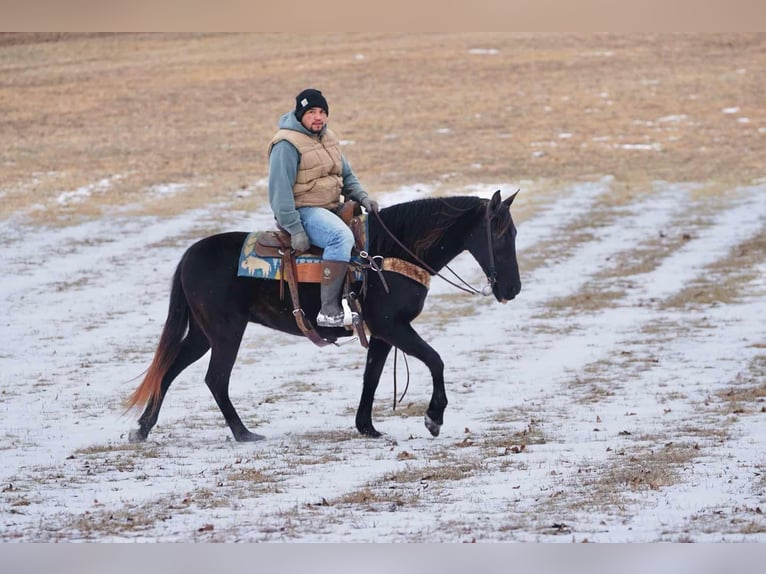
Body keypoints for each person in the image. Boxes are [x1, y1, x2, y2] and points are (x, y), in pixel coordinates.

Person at [267, 88, 379, 328]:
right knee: (340, 237)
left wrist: (363, 197)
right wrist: (295, 228)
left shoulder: (328, 137)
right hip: (304, 210)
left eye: (321, 112)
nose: (317, 117)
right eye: (311, 112)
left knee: (371, 233)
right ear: (300, 115)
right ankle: (328, 310)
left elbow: (346, 175)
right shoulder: (286, 145)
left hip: (331, 207)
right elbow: (280, 193)